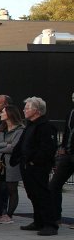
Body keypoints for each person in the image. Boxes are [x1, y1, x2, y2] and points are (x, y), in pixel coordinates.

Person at [15, 97, 59, 236]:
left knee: (42, 195)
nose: (24, 110)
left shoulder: (46, 126)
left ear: (37, 110)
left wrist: (34, 161)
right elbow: (22, 143)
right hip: (27, 166)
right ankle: (38, 221)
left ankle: (50, 224)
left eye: (27, 108)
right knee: (32, 194)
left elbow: (47, 148)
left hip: (38, 166)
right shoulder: (30, 125)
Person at [0, 104, 23, 224]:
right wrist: (4, 145)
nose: (0, 113)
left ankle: (9, 214)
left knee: (11, 189)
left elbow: (13, 148)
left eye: (3, 111)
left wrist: (2, 146)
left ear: (10, 113)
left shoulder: (20, 129)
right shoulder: (0, 128)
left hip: (11, 163)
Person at [49, 91, 74, 222]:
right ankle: (55, 216)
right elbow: (67, 131)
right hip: (68, 154)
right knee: (54, 185)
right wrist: (63, 147)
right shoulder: (71, 113)